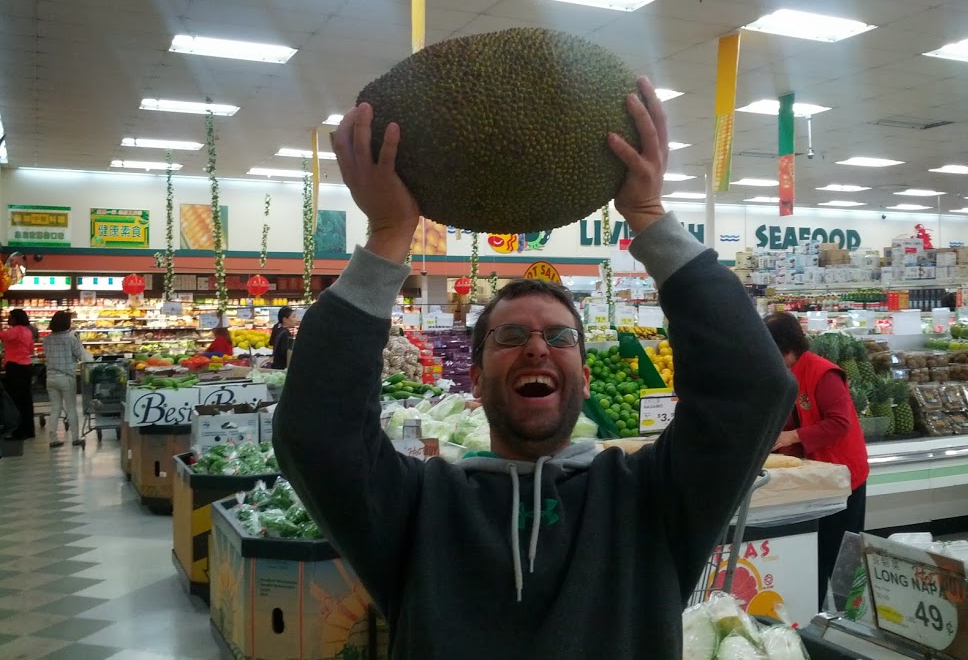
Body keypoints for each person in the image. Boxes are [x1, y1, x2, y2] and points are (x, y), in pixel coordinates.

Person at [274, 80, 797, 659]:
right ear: (473, 379)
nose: (537, 348)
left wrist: (649, 217)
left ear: (587, 376)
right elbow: (316, 432)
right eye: (511, 335)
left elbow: (752, 387)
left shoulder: (651, 502)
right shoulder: (418, 509)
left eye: (560, 336)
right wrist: (389, 235)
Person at [764, 312, 869, 610]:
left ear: (787, 351)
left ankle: (848, 615)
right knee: (815, 548)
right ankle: (817, 612)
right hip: (814, 478)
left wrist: (790, 437)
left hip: (843, 476)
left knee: (842, 551)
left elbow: (840, 424)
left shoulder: (824, 374)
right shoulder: (784, 375)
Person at [42, 311, 92, 447]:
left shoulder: (46, 339)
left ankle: (53, 439)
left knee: (55, 408)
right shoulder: (71, 338)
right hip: (66, 377)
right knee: (71, 408)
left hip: (50, 377)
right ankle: (75, 438)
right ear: (67, 323)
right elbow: (82, 355)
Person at [0, 308, 37, 439]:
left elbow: (2, 335)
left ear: (15, 319)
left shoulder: (15, 331)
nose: (8, 319)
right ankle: (29, 429)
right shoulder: (27, 331)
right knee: (26, 399)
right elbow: (31, 350)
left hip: (15, 367)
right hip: (26, 367)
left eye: (10, 317)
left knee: (15, 399)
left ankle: (18, 431)